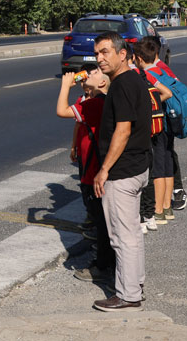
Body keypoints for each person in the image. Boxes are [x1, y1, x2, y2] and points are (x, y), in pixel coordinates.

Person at [91, 31, 152, 312]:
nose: (99, 58)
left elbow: (123, 130)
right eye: (97, 53)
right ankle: (134, 286)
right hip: (138, 166)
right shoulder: (134, 79)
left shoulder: (122, 85)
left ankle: (127, 295)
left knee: (121, 237)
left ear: (122, 54)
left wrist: (104, 170)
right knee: (132, 234)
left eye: (105, 52)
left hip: (122, 172)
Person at [54, 64, 115, 284]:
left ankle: (103, 265)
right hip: (95, 167)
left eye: (96, 73)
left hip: (93, 171)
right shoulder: (99, 101)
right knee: (104, 221)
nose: (90, 74)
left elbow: (61, 111)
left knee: (101, 222)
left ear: (101, 83)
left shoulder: (95, 104)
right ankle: (106, 261)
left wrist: (65, 85)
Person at [143, 35, 187, 211]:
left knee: (163, 158)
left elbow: (167, 93)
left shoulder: (153, 71)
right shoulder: (164, 68)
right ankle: (170, 200)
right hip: (171, 118)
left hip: (162, 120)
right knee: (168, 154)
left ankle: (164, 202)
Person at [134, 39, 175, 225]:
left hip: (158, 125)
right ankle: (167, 208)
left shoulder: (147, 74)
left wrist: (150, 107)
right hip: (169, 122)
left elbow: (165, 93)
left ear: (138, 58)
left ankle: (157, 210)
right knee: (167, 163)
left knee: (157, 167)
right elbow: (170, 91)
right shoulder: (163, 69)